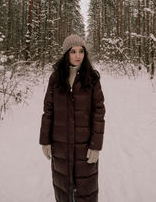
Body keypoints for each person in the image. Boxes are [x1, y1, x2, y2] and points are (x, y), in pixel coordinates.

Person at [39, 34, 106, 202]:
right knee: (64, 190)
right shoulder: (55, 78)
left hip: (85, 146)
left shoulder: (92, 78)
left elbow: (99, 112)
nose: (78, 56)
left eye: (81, 51)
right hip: (60, 145)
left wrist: (96, 146)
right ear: (66, 53)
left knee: (85, 190)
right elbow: (49, 111)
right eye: (73, 51)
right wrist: (45, 141)